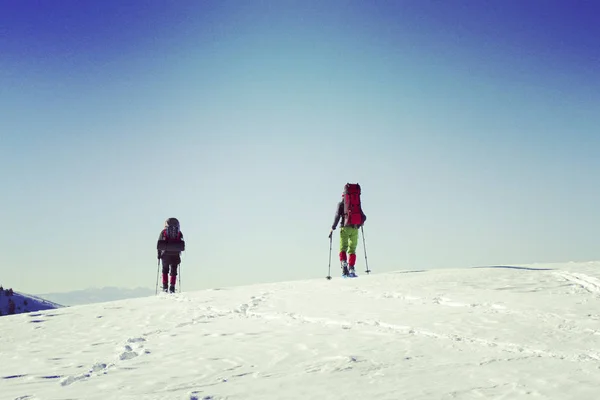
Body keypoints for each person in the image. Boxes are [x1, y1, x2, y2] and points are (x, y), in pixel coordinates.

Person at [329, 191, 367, 277]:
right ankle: (352, 268)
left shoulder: (341, 204)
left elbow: (337, 216)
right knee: (352, 249)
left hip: (344, 228)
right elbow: (364, 217)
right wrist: (360, 223)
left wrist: (333, 228)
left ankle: (344, 267)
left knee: (343, 248)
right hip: (354, 228)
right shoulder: (356, 204)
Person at [157, 217, 184, 293]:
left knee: (165, 270)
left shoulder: (163, 232)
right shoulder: (179, 233)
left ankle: (165, 287)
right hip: (175, 254)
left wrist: (159, 255)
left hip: (165, 254)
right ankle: (172, 287)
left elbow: (159, 244)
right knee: (174, 271)